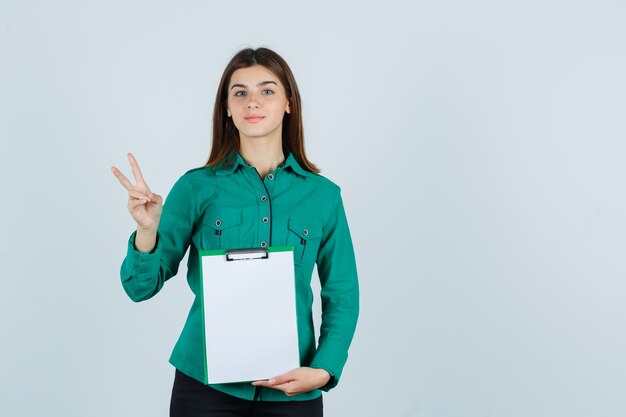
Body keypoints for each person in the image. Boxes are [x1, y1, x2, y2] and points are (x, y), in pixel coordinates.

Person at [111, 47, 359, 417]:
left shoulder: (323, 196)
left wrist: (324, 369)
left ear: (289, 103)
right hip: (204, 389)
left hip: (293, 390)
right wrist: (147, 232)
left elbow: (342, 293)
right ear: (226, 107)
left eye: (267, 90)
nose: (252, 102)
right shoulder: (196, 187)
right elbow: (138, 288)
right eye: (239, 92)